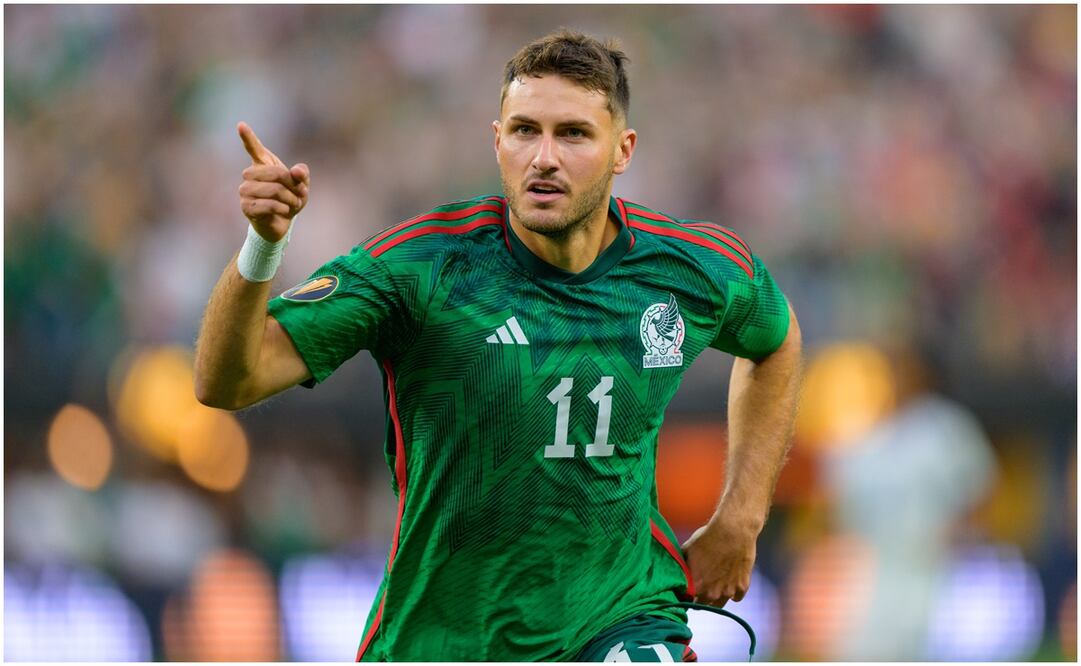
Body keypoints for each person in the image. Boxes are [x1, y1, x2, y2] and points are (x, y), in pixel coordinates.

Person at [194, 29, 802, 662]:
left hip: (620, 617)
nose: (544, 157)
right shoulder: (422, 268)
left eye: (572, 134)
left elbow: (776, 343)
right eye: (524, 131)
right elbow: (226, 381)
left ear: (622, 151)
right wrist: (262, 245)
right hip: (444, 638)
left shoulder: (688, 269)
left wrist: (741, 517)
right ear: (497, 141)